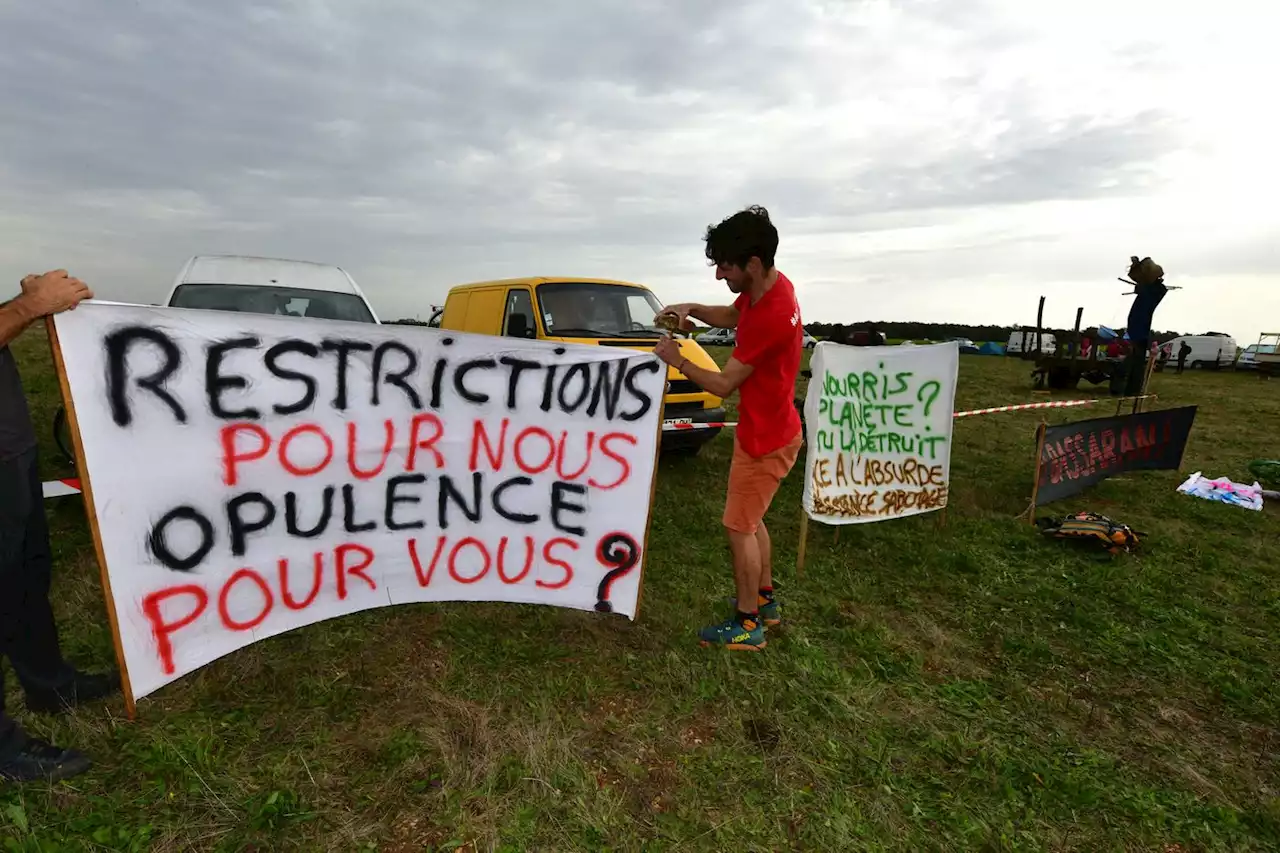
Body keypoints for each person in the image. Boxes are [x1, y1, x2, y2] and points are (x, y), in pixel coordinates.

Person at [653, 206, 803, 651]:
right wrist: (693, 309)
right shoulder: (773, 289)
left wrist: (676, 358)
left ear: (752, 264)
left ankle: (747, 623)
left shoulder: (770, 317)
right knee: (752, 521)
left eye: (726, 266)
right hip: (775, 429)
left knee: (739, 526)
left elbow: (722, 384)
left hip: (765, 440)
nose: (720, 275)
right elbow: (733, 315)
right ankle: (766, 601)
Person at [1, 269, 120, 783]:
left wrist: (24, 304)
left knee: (24, 578)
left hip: (11, 451)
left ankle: (49, 683)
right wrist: (28, 309)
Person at [1120, 256, 1168, 396]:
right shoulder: (1152, 289)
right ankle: (1131, 389)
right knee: (1135, 362)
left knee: (1136, 363)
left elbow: (1142, 287)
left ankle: (1132, 390)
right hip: (1138, 330)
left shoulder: (1154, 291)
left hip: (1139, 331)